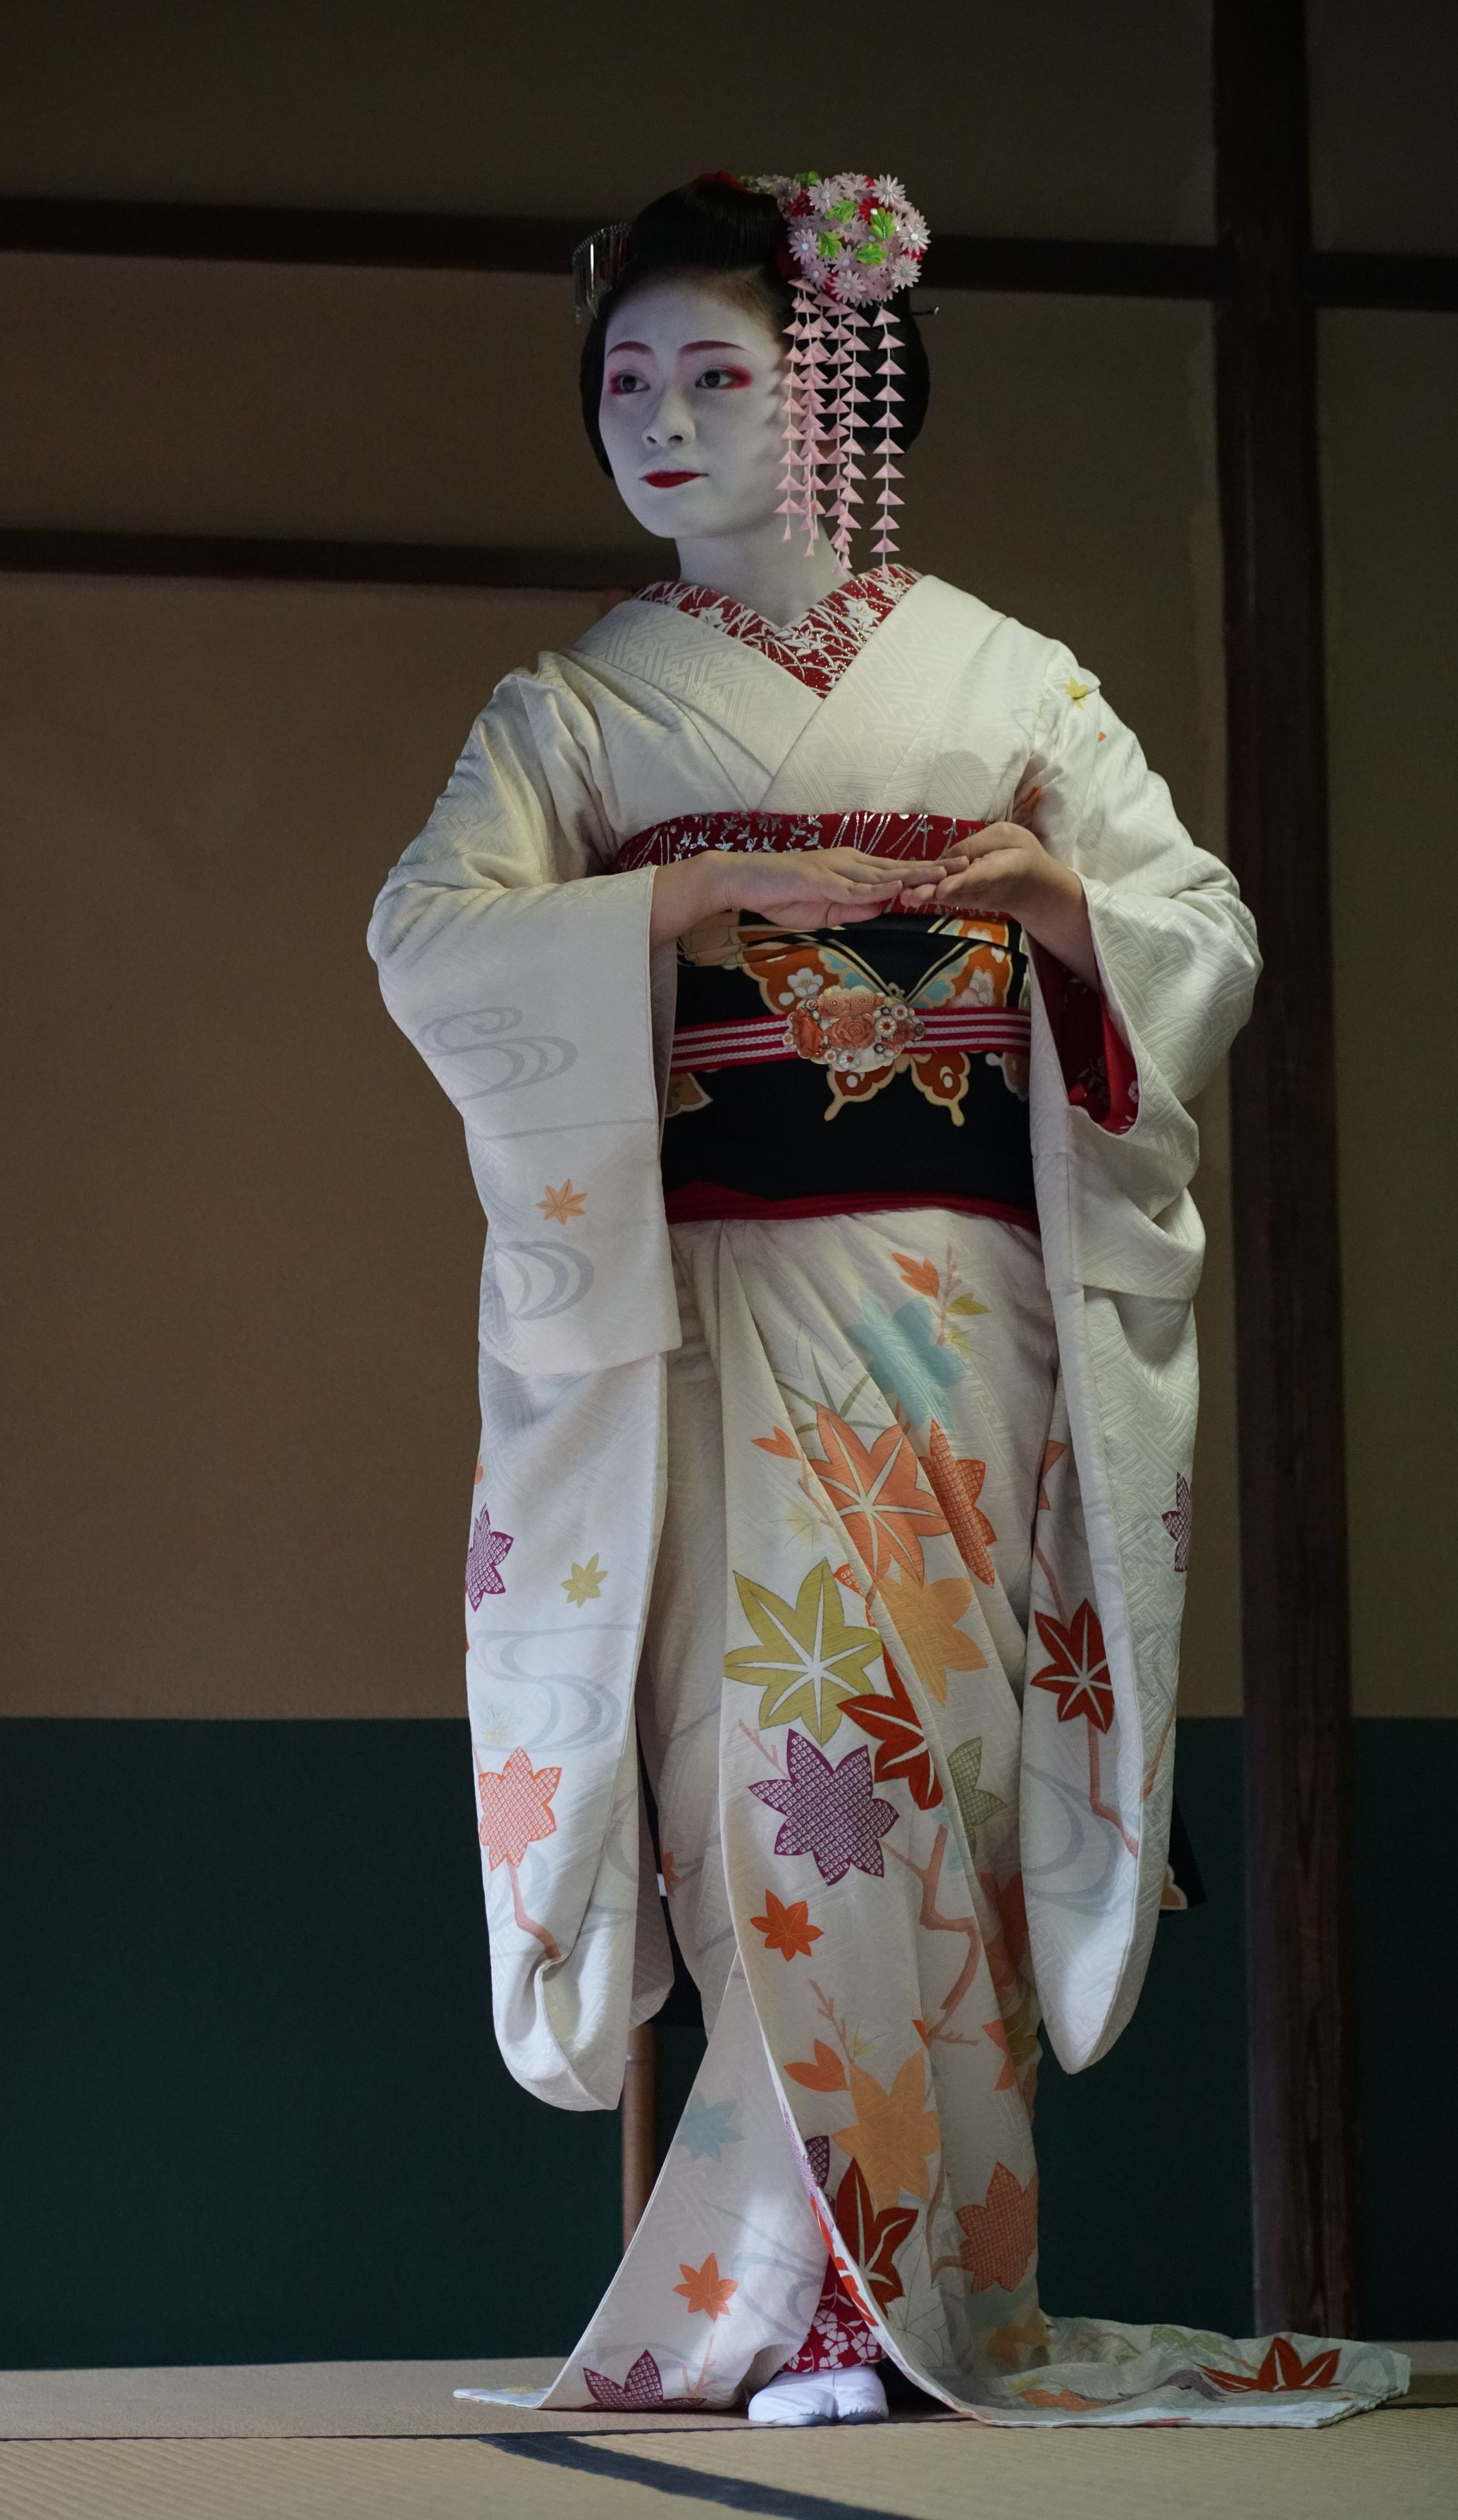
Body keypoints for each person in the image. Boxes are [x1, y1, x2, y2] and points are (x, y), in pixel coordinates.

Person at [369, 173, 1403, 2428]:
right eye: (624, 381)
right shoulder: (572, 706)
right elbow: (427, 936)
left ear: (833, 390)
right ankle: (822, 2299)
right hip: (705, 1303)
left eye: (713, 376)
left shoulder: (1012, 680)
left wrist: (1055, 909)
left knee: (921, 1777)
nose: (656, 422)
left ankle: (894, 2300)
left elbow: (1200, 932)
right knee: (755, 1778)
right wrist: (672, 911)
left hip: (947, 1296)